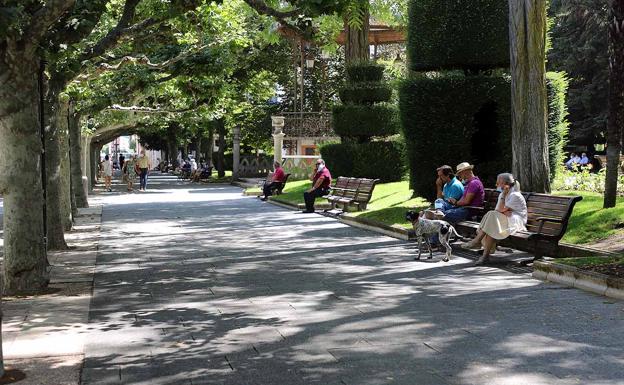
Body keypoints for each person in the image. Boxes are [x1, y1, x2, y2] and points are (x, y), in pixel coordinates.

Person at [461, 173, 527, 266]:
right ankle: (484, 255)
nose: (496, 185)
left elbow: (499, 210)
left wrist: (503, 207)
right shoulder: (502, 195)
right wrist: (504, 210)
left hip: (516, 221)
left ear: (505, 183)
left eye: (498, 182)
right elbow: (498, 210)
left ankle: (477, 242)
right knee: (491, 219)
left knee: (492, 217)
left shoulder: (515, 195)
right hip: (505, 218)